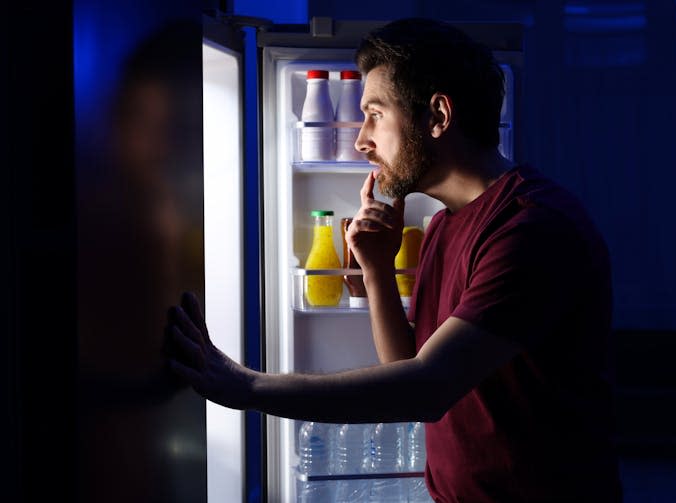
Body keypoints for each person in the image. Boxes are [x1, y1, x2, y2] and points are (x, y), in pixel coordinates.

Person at [167, 18, 623, 502]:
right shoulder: (447, 222)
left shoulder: (531, 228)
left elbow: (428, 388)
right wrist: (379, 270)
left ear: (438, 116)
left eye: (375, 114)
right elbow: (407, 363)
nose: (362, 139)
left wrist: (248, 388)